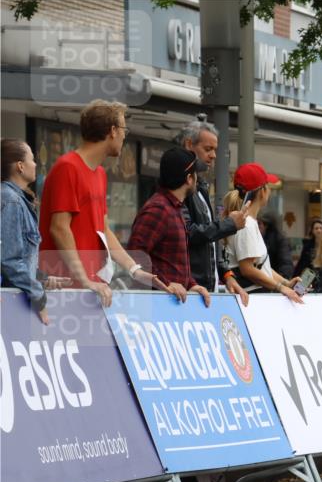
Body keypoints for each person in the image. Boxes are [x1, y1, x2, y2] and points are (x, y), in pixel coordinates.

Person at [38, 99, 163, 305]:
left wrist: (134, 270)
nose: (124, 135)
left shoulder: (100, 173)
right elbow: (59, 229)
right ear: (112, 131)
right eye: (124, 129)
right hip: (64, 291)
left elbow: (103, 229)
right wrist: (83, 279)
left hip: (91, 289)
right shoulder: (68, 167)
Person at [126, 147, 212, 306]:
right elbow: (135, 255)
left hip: (169, 306)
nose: (197, 179)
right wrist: (165, 283)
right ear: (189, 179)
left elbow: (174, 262)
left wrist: (192, 284)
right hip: (154, 307)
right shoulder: (159, 209)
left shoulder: (173, 208)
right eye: (195, 175)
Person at [176, 118, 248, 303]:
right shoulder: (180, 188)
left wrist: (226, 274)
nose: (214, 155)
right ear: (189, 145)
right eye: (208, 149)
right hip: (190, 290)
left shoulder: (201, 186)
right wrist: (228, 225)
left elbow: (210, 240)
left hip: (206, 288)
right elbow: (189, 233)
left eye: (215, 150)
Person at [223, 163, 303, 303]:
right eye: (268, 186)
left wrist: (286, 283)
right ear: (262, 191)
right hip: (251, 299)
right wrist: (281, 288)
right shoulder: (246, 224)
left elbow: (261, 266)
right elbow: (247, 269)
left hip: (255, 297)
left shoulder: (249, 222)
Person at [1, 139, 58, 323]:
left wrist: (42, 278)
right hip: (10, 307)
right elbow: (9, 260)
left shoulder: (15, 200)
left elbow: (17, 257)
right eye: (32, 159)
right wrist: (38, 296)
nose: (35, 164)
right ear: (20, 166)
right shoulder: (11, 201)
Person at [258, 209, 293, 279]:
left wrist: (280, 284)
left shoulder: (280, 239)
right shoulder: (257, 238)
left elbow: (285, 265)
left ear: (266, 225)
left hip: (274, 282)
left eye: (259, 223)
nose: (256, 226)